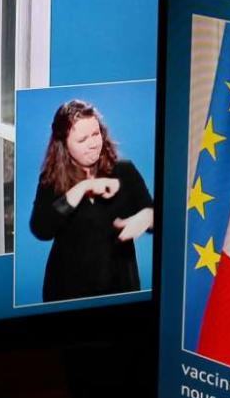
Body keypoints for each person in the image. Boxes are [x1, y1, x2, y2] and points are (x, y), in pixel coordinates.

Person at [29, 99, 154, 302]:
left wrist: (148, 217)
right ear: (64, 144)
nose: (93, 144)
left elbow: (157, 213)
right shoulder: (50, 180)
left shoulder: (124, 170)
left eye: (96, 134)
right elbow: (41, 229)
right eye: (82, 139)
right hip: (67, 295)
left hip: (120, 290)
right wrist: (82, 188)